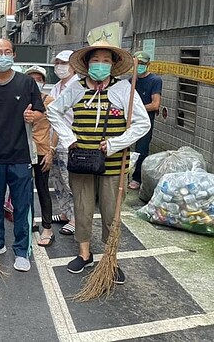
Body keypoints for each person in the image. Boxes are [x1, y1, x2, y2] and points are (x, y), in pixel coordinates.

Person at [47, 41, 150, 283]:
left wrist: (116, 144)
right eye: (96, 60)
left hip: (113, 165)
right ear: (87, 63)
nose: (101, 65)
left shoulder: (124, 89)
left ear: (113, 65)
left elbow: (142, 123)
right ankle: (84, 254)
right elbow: (54, 112)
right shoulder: (76, 88)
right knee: (81, 208)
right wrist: (68, 138)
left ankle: (110, 258)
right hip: (81, 161)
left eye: (106, 60)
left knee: (110, 212)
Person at [0, 39, 45, 272]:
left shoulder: (26, 84)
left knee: (22, 206)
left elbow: (40, 111)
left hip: (21, 155)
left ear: (14, 54)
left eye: (7, 52)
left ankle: (22, 250)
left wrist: (35, 117)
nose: (3, 56)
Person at [25, 66, 57, 247]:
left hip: (42, 150)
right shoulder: (21, 99)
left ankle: (47, 227)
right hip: (23, 151)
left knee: (42, 188)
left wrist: (51, 150)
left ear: (43, 82)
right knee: (24, 188)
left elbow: (57, 127)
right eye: (32, 78)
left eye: (39, 78)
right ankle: (30, 220)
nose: (36, 81)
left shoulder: (49, 101)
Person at [49, 50, 78, 236]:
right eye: (58, 62)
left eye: (64, 63)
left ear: (74, 66)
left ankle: (76, 218)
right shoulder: (57, 86)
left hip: (70, 142)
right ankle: (66, 212)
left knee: (71, 183)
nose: (60, 66)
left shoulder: (78, 87)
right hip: (55, 141)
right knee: (58, 181)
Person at [129, 51, 162, 190]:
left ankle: (137, 178)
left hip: (145, 121)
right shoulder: (131, 81)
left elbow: (155, 104)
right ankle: (123, 176)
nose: (139, 66)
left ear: (148, 64)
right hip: (130, 119)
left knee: (141, 149)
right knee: (124, 147)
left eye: (142, 63)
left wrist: (136, 109)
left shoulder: (155, 80)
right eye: (137, 63)